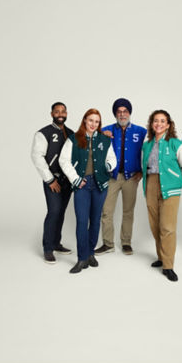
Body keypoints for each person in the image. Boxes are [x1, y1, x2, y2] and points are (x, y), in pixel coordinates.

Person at [59, 109, 117, 274]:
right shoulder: (74, 139)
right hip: (82, 185)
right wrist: (76, 179)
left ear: (99, 123)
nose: (93, 124)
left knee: (96, 220)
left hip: (100, 185)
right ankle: (81, 258)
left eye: (97, 121)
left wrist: (107, 167)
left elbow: (111, 158)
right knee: (82, 222)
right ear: (84, 120)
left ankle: (91, 253)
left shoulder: (105, 139)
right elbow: (64, 161)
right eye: (90, 120)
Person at [142, 110, 182, 282]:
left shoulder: (176, 144)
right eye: (155, 121)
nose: (159, 124)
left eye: (163, 121)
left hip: (169, 187)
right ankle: (162, 257)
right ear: (151, 124)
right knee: (155, 224)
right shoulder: (147, 144)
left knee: (167, 227)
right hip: (150, 184)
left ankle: (168, 266)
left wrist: (178, 183)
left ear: (169, 125)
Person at [94, 98, 147, 256]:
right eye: (119, 111)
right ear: (115, 114)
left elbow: (148, 153)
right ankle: (108, 244)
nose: (122, 114)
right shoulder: (106, 129)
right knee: (106, 211)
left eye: (125, 111)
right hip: (111, 177)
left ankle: (126, 243)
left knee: (128, 211)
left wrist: (142, 171)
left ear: (129, 113)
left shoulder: (141, 131)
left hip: (131, 178)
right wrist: (100, 135)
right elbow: (95, 149)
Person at [31, 102, 74, 264]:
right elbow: (37, 157)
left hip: (67, 181)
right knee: (54, 211)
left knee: (61, 212)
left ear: (67, 113)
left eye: (63, 111)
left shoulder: (71, 133)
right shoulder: (43, 133)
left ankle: (56, 243)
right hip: (53, 180)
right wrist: (50, 180)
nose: (60, 114)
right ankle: (48, 248)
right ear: (52, 114)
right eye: (57, 111)